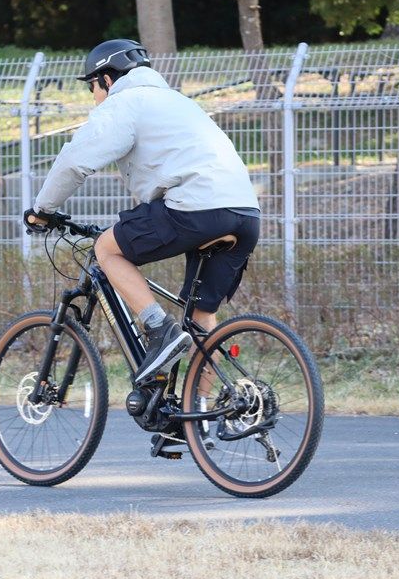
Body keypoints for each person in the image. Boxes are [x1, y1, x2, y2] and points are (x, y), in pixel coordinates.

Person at [24, 38, 260, 384]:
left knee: (106, 248)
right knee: (200, 317)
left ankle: (158, 328)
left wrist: (42, 210)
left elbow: (75, 162)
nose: (93, 95)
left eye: (92, 85)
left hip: (195, 207)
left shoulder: (125, 102)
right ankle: (202, 421)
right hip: (245, 213)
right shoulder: (178, 101)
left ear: (106, 79)